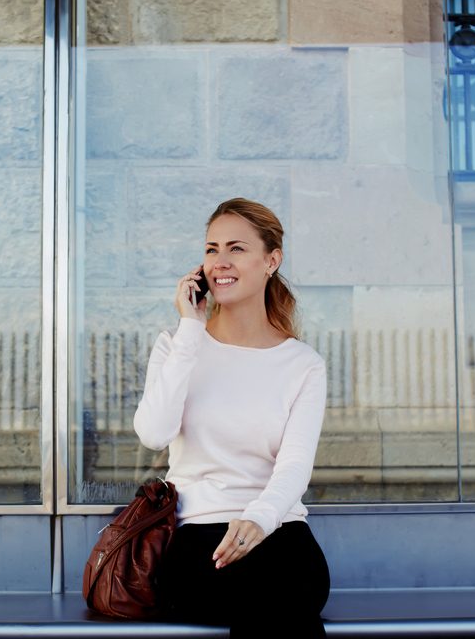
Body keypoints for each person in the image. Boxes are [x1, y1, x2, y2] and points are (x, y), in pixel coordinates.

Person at [133, 197, 330, 637]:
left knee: (283, 593)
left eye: (236, 248)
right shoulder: (177, 345)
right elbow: (153, 433)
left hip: (278, 531)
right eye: (211, 249)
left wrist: (259, 518)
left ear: (271, 261)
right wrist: (190, 329)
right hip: (199, 536)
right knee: (279, 612)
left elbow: (295, 465)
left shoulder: (303, 364)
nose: (220, 261)